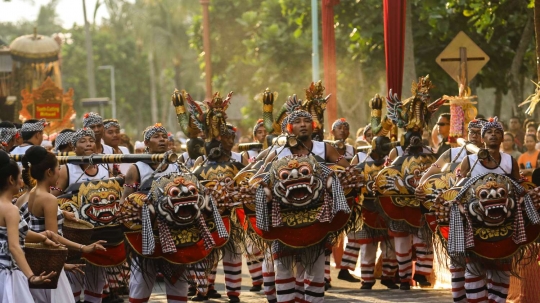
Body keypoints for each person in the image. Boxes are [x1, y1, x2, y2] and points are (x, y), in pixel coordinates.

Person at [263, 108, 350, 303]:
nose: (303, 124)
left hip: (317, 220)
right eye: (298, 121)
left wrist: (339, 174)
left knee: (315, 269)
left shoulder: (325, 148)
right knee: (283, 268)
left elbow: (347, 168)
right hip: (283, 222)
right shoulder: (279, 150)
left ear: (313, 126)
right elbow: (260, 175)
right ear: (289, 127)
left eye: (306, 121)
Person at [21, 146, 107, 303]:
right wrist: (83, 247)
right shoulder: (49, 199)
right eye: (58, 168)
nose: (60, 171)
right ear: (49, 172)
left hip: (33, 264)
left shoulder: (28, 195)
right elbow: (53, 239)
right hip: (49, 268)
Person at [119, 124, 187, 303]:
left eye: (164, 136)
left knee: (178, 281)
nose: (162, 139)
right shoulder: (136, 169)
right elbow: (125, 204)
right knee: (141, 281)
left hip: (174, 233)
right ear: (147, 143)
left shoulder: (177, 165)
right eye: (157, 136)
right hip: (144, 234)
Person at [454, 117, 520, 303]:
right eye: (489, 132)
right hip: (474, 225)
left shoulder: (510, 161)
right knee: (474, 270)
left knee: (502, 273)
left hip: (504, 225)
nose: (493, 135)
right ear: (483, 138)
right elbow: (458, 189)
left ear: (502, 138)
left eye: (497, 132)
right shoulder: (469, 160)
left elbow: (519, 187)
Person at [0, 150, 58, 303]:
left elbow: (22, 231)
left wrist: (41, 237)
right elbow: (14, 247)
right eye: (20, 178)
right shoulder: (10, 210)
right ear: (11, 180)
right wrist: (31, 276)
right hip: (8, 276)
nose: (22, 182)